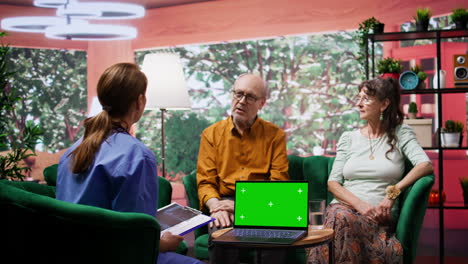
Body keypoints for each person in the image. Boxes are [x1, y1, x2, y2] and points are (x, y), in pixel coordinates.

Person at [56, 63, 202, 264]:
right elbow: (135, 239)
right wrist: (163, 243)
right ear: (140, 101)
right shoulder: (137, 157)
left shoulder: (70, 153)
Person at [307, 77, 434, 263]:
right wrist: (361, 206)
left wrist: (392, 193)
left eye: (366, 98)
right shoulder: (348, 138)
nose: (358, 103)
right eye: (358, 98)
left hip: (378, 220)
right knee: (339, 216)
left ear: (384, 104)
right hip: (344, 210)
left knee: (337, 223)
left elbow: (425, 165)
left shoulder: (401, 133)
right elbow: (333, 184)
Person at [196, 73, 290, 263]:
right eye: (238, 94)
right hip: (223, 202)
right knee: (222, 232)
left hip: (263, 202)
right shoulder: (211, 134)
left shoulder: (275, 135)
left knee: (276, 233)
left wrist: (244, 207)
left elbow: (278, 184)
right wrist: (216, 207)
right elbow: (206, 181)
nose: (242, 101)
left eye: (250, 97)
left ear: (261, 103)